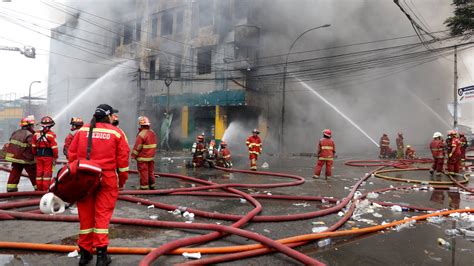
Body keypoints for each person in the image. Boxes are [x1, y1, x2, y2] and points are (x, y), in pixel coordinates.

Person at [68, 104, 129, 266]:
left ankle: (84, 254)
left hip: (85, 179)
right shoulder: (117, 133)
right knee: (102, 216)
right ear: (108, 116)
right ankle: (101, 256)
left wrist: (76, 178)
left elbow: (72, 156)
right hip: (107, 179)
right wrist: (121, 181)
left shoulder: (81, 131)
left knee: (85, 217)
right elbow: (123, 162)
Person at [4, 115, 37, 192]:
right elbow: (33, 146)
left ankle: (11, 188)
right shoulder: (29, 134)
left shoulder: (15, 132)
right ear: (29, 125)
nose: (33, 127)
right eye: (32, 125)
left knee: (15, 172)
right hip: (26, 158)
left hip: (15, 158)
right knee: (33, 172)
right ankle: (37, 188)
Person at [32, 116, 58, 192]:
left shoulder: (36, 134)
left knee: (39, 173)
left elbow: (33, 146)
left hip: (39, 155)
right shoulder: (51, 135)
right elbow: (54, 148)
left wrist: (35, 155)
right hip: (48, 156)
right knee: (47, 173)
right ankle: (45, 190)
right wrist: (55, 157)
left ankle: (39, 189)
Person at [131, 116, 158, 190]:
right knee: (151, 172)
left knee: (143, 173)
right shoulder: (152, 133)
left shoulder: (141, 134)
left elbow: (137, 147)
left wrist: (133, 156)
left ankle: (144, 187)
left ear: (141, 125)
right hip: (151, 157)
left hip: (142, 158)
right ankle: (152, 185)